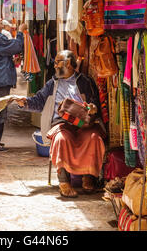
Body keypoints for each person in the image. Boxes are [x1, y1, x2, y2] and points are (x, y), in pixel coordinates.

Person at [15, 50, 106, 198]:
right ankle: (64, 181)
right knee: (61, 139)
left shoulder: (85, 82)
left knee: (94, 138)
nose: (55, 65)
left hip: (83, 123)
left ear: (68, 64)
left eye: (57, 62)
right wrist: (23, 103)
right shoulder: (52, 84)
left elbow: (94, 104)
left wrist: (92, 108)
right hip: (61, 122)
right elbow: (38, 102)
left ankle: (89, 177)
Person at [0, 16, 26, 151]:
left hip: (0, 77)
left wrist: (10, 62)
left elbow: (2, 55)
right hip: (0, 79)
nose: (0, 21)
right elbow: (16, 46)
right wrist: (19, 32)